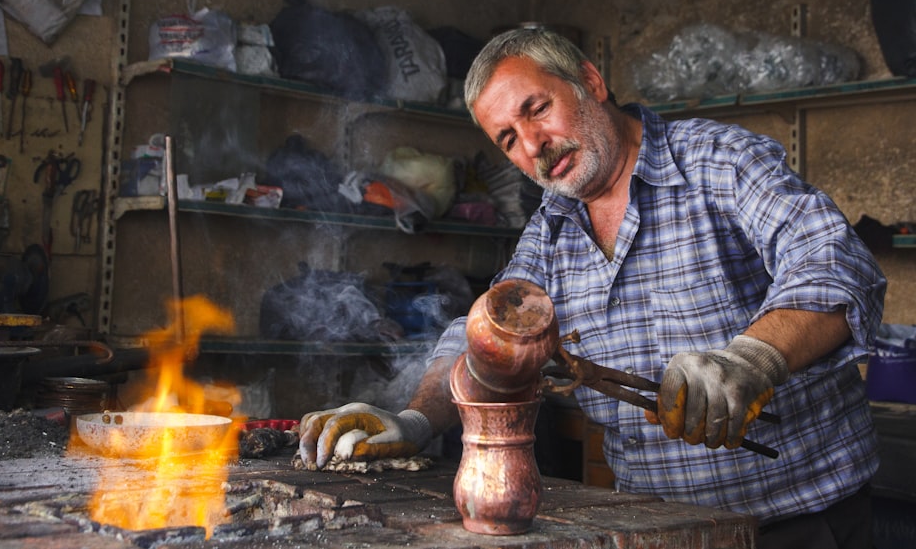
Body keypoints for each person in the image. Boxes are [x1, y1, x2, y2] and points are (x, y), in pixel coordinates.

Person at [298, 27, 886, 549]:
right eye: (507, 138)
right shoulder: (552, 229)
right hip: (663, 531)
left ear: (590, 81)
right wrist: (417, 420)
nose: (532, 145)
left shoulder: (717, 161)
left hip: (801, 523)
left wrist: (752, 359)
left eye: (537, 109)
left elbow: (833, 262)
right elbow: (487, 333)